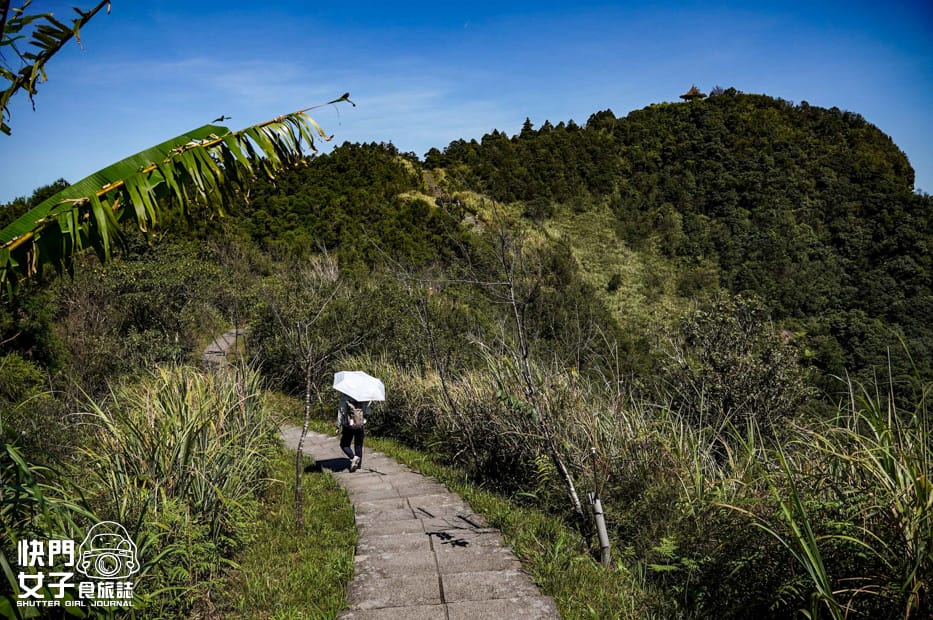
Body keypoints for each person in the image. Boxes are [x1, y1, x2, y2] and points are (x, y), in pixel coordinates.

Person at [336, 393, 371, 472]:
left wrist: (338, 425)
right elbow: (368, 412)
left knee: (344, 444)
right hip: (360, 425)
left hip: (348, 425)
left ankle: (353, 458)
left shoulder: (344, 397)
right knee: (358, 445)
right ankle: (358, 466)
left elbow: (341, 412)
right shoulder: (364, 397)